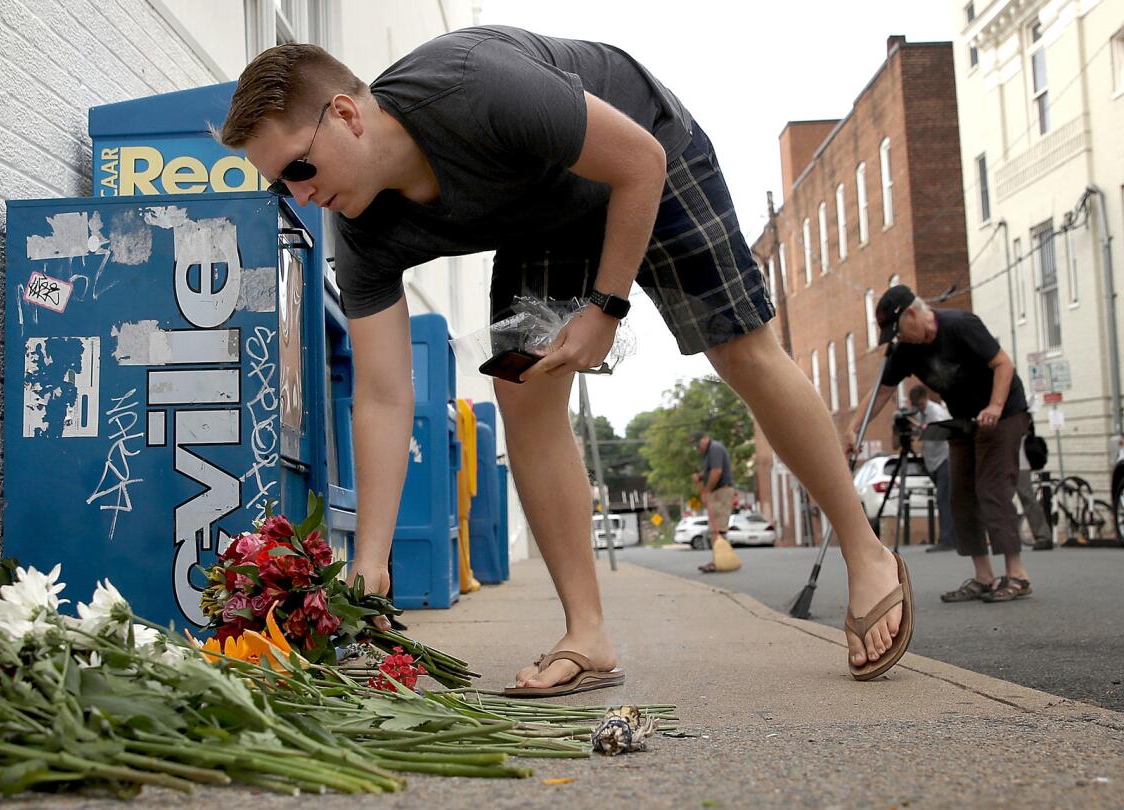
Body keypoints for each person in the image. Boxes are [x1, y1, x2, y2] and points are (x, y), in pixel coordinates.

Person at [221, 26, 912, 689]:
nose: (302, 197)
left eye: (300, 170)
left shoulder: (474, 86)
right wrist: (371, 559)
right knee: (521, 395)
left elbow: (638, 161)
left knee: (740, 350)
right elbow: (381, 394)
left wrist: (606, 308)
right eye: (283, 186)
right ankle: (588, 635)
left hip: (643, 154)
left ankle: (865, 550)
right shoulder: (362, 230)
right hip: (541, 216)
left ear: (347, 115)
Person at [844, 286, 1033, 603]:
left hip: (1003, 414)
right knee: (960, 493)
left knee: (992, 487)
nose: (897, 338)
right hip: (962, 421)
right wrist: (853, 429)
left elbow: (1003, 364)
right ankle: (984, 576)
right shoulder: (906, 350)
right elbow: (881, 392)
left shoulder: (960, 325)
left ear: (913, 315)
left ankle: (1017, 574)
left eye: (898, 330)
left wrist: (995, 407)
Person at [908, 386, 956, 552]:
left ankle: (947, 539)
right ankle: (952, 537)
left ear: (925, 399)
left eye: (920, 404)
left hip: (944, 459)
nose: (919, 407)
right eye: (916, 405)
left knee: (943, 499)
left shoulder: (936, 412)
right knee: (945, 500)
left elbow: (942, 431)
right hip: (933, 461)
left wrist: (920, 427)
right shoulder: (921, 414)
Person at [691, 431, 737, 572]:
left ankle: (721, 561)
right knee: (715, 528)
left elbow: (716, 472)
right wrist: (700, 476)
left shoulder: (714, 448)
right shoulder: (708, 454)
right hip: (716, 492)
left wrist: (707, 491)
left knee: (717, 528)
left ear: (705, 439)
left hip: (721, 492)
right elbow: (709, 472)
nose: (697, 449)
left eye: (698, 445)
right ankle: (719, 560)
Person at [1017, 414, 1052, 550]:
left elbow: (1025, 430)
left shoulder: (1020, 410)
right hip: (1005, 461)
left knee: (1027, 497)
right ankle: (1006, 537)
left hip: (1020, 461)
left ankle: (1043, 535)